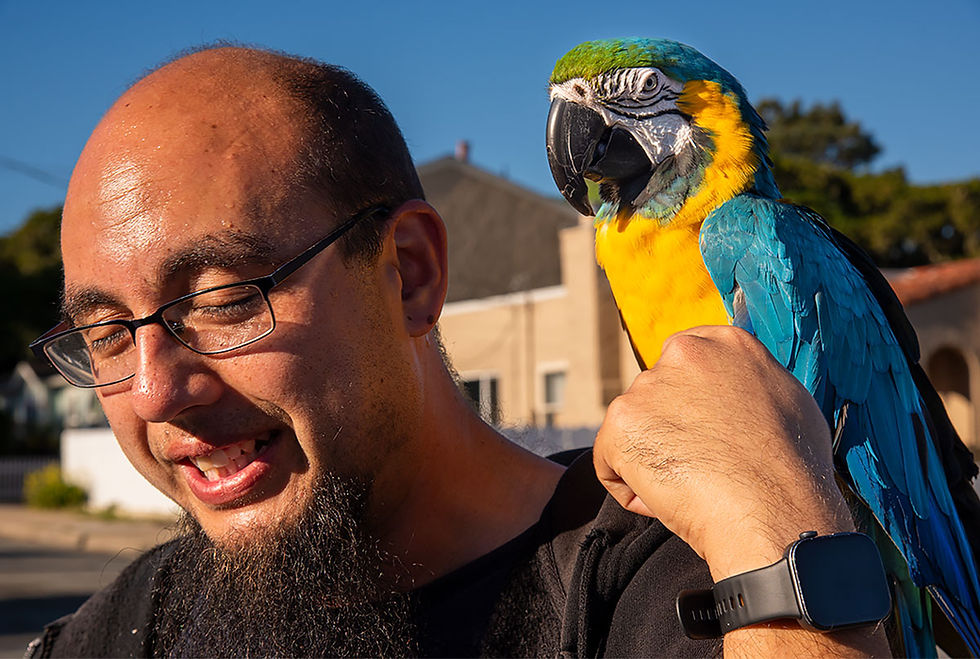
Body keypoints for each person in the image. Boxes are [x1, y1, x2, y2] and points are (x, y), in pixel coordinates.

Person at [26, 46, 889, 657]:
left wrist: (779, 542)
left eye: (222, 301)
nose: (153, 391)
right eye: (105, 335)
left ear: (408, 274)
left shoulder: (682, 594)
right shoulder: (129, 626)